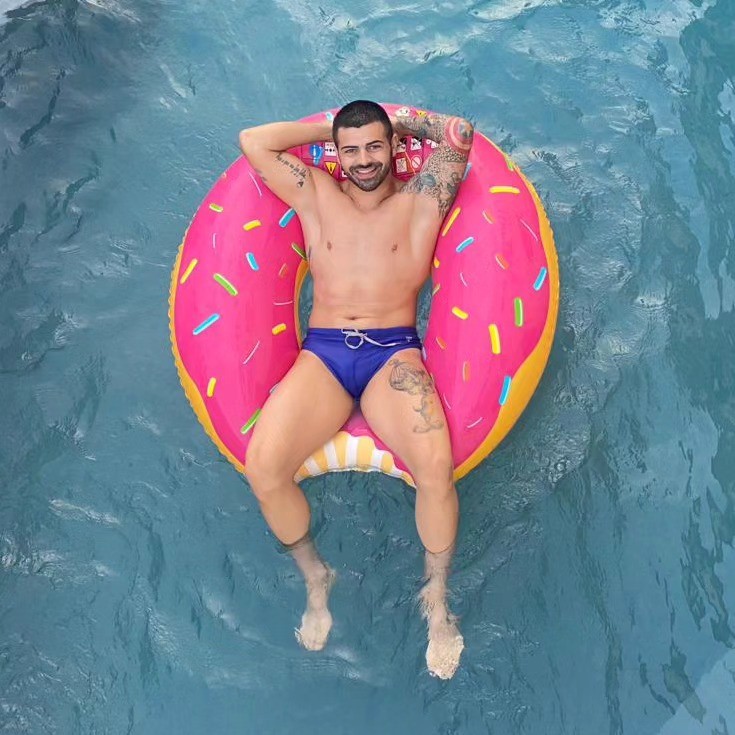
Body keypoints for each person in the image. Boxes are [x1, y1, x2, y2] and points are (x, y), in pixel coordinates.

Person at [239, 100, 473, 679]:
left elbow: (460, 135)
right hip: (324, 354)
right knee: (263, 469)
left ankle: (436, 603)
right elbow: (253, 140)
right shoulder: (316, 194)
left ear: (392, 147)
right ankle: (316, 578)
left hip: (393, 353)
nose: (364, 160)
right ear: (336, 154)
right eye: (351, 150)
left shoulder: (421, 201)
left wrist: (402, 123)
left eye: (374, 146)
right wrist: (331, 127)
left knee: (435, 469)